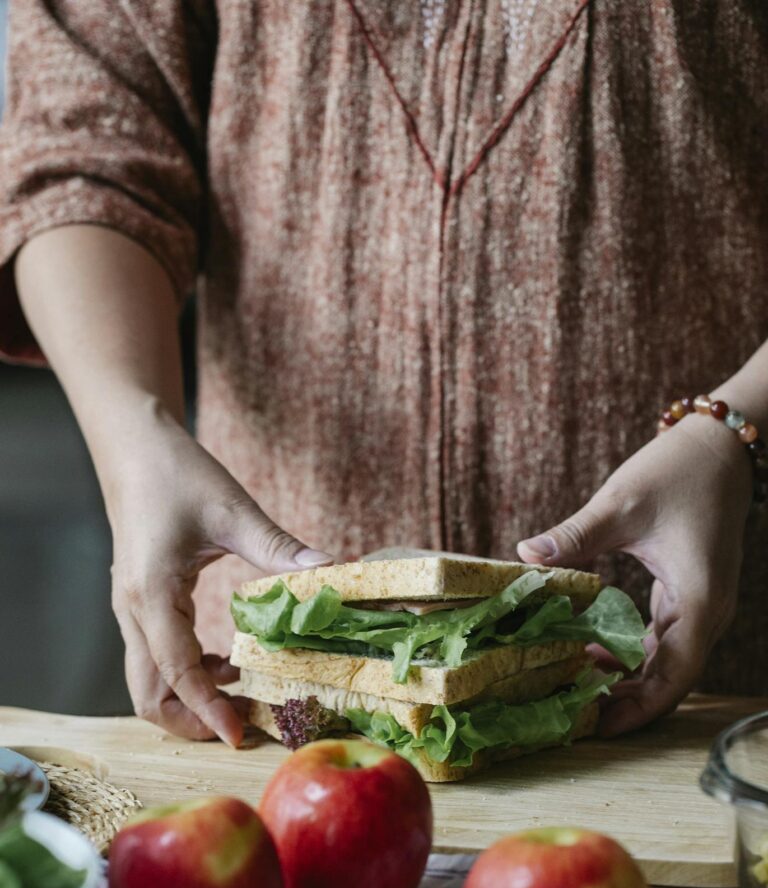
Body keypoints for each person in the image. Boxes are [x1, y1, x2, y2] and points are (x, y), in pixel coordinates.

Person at [1, 2, 766, 748]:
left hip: (690, 700)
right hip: (284, 725)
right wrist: (133, 437)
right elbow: (84, 151)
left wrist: (734, 425)